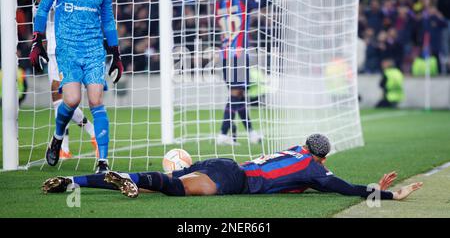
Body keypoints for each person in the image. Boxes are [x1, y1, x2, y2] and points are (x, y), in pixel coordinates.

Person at [42, 134, 422, 201]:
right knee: (177, 189)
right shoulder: (315, 169)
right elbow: (345, 188)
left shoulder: (293, 151)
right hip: (233, 178)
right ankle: (130, 182)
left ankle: (75, 180)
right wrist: (387, 192)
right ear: (321, 157)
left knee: (152, 182)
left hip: (223, 162)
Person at [30, 0, 123, 173]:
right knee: (71, 100)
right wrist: (37, 42)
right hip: (68, 49)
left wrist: (115, 52)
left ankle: (102, 162)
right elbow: (42, 9)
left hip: (93, 49)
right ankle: (57, 137)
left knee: (96, 101)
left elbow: (108, 19)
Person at [32, 0, 98, 160]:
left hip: (66, 47)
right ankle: (67, 146)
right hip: (51, 48)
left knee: (63, 96)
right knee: (58, 98)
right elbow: (40, 10)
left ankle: (77, 138)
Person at [215, 0, 270, 145]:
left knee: (238, 95)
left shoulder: (219, 4)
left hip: (225, 55)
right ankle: (223, 134)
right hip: (238, 54)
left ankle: (250, 133)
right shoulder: (243, 2)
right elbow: (267, 0)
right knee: (236, 95)